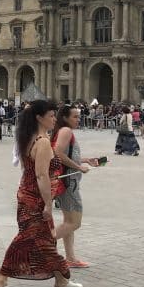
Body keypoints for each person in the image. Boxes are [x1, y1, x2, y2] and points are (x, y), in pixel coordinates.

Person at [0, 100, 83, 287]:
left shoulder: (30, 137)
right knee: (27, 239)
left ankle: (60, 280)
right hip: (35, 198)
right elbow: (41, 176)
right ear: (39, 118)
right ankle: (0, 278)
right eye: (50, 115)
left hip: (27, 193)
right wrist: (48, 204)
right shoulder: (41, 142)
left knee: (46, 240)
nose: (54, 119)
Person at [51, 106, 99, 269]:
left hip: (66, 180)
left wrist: (84, 160)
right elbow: (58, 153)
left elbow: (67, 154)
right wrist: (79, 168)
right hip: (68, 182)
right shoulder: (66, 131)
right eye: (75, 117)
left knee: (68, 221)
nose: (78, 119)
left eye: (79, 117)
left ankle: (70, 258)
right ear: (65, 118)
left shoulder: (62, 130)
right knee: (75, 223)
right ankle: (38, 244)